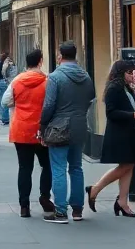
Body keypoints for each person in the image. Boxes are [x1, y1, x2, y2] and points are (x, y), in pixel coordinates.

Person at [39, 41, 96, 223]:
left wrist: (42, 125)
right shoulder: (86, 76)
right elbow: (90, 99)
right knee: (76, 167)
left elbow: (49, 105)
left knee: (58, 168)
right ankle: (77, 210)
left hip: (59, 126)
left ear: (59, 56)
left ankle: (61, 211)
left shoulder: (55, 77)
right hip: (80, 125)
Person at [87, 59, 135, 217]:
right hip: (120, 134)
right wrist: (133, 114)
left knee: (129, 165)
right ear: (121, 73)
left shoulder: (127, 88)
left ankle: (123, 202)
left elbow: (132, 106)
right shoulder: (114, 88)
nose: (132, 76)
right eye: (129, 72)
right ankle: (96, 188)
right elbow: (111, 113)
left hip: (130, 132)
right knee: (125, 166)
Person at [2, 48, 54, 218]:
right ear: (40, 62)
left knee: (25, 168)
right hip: (42, 131)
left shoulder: (17, 81)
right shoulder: (48, 81)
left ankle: (24, 206)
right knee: (47, 166)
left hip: (21, 130)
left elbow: (5, 102)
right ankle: (45, 198)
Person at [0, 53, 17, 125]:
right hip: (9, 83)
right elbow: (4, 72)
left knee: (4, 101)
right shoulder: (9, 63)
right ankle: (5, 118)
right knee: (7, 101)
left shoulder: (6, 63)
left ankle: (4, 117)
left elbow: (3, 72)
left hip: (8, 82)